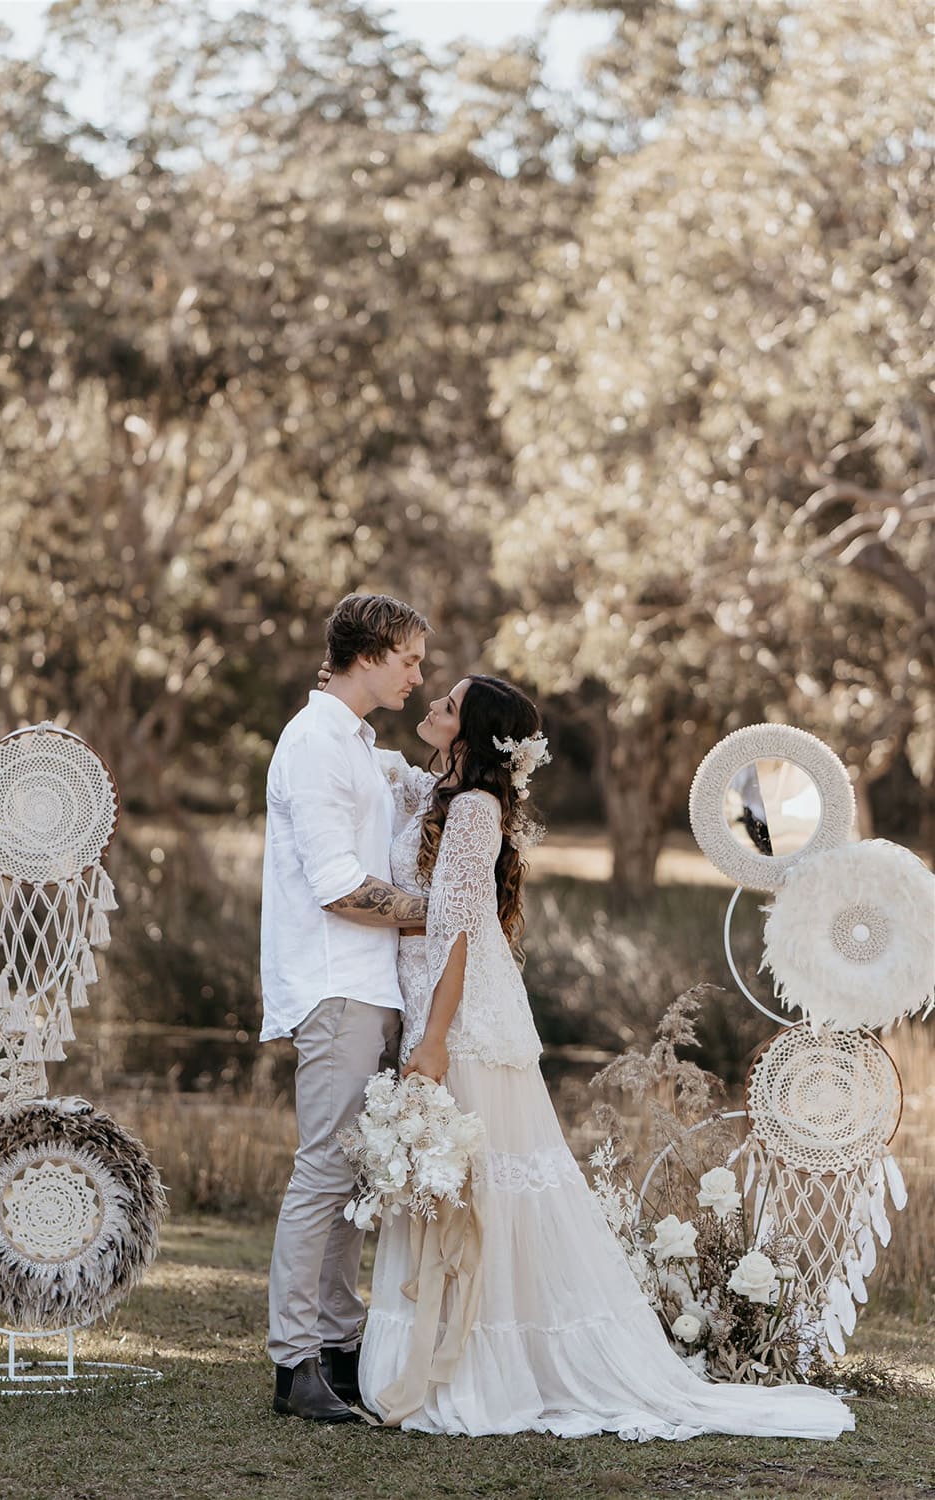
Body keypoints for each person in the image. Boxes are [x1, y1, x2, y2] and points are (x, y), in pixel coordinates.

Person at [358, 673, 854, 1441]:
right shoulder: (440, 792)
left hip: (460, 1020)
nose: (431, 706)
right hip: (434, 1002)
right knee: (453, 1182)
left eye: (448, 705)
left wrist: (432, 1040)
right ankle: (444, 1348)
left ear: (472, 734)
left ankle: (474, 1363)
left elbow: (457, 931)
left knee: (476, 1185)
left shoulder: (475, 809)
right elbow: (391, 792)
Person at [261, 592, 431, 1423]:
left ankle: (337, 1344)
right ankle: (294, 1362)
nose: (418, 676)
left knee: (352, 1175)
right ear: (367, 654)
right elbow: (336, 887)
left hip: (372, 985)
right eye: (409, 660)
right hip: (336, 984)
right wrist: (444, 915)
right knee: (324, 1171)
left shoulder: (359, 744)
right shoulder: (315, 742)